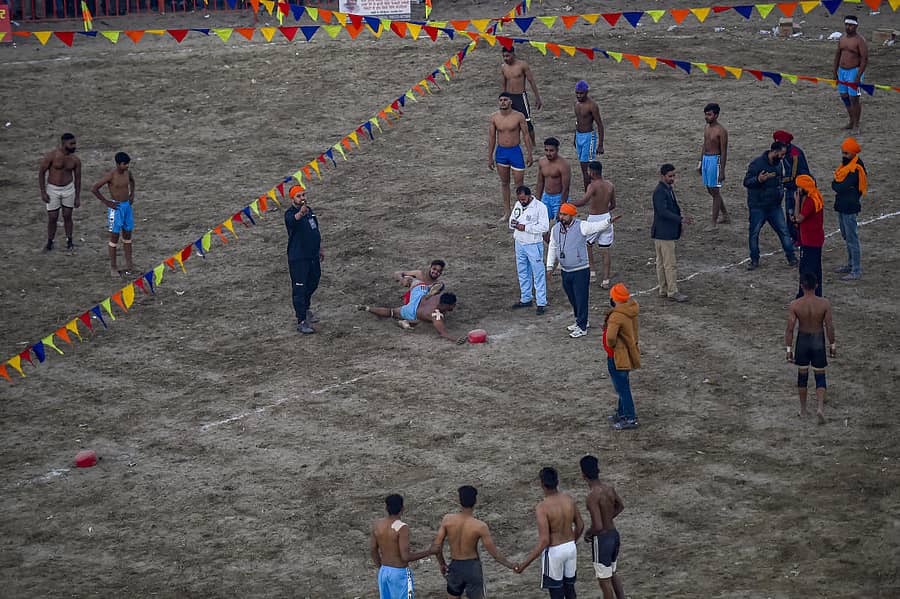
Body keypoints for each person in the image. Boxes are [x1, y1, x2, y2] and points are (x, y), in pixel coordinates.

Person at [546, 203, 621, 338]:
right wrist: (550, 266)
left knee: (581, 298)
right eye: (561, 214)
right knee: (572, 297)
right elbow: (552, 247)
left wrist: (608, 221)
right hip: (565, 270)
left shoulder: (581, 226)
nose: (562, 217)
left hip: (580, 270)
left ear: (572, 216)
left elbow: (596, 226)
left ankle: (582, 326)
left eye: (565, 215)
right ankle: (580, 320)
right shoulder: (555, 229)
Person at [431, 485, 516, 599]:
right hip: (472, 567)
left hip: (455, 565)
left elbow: (437, 546)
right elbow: (494, 554)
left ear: (459, 501)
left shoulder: (447, 520)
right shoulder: (480, 526)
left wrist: (442, 563)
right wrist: (511, 566)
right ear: (475, 501)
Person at [514, 467, 584, 599]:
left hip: (555, 552)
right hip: (570, 548)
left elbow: (544, 541)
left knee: (556, 592)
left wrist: (524, 564)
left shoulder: (542, 507)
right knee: (570, 589)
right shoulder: (569, 499)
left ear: (541, 484)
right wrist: (571, 542)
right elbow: (580, 525)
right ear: (557, 481)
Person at [785, 272, 836, 425]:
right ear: (817, 285)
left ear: (802, 286)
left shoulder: (795, 305)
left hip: (803, 340)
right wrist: (832, 344)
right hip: (818, 339)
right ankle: (820, 407)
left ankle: (803, 409)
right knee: (820, 375)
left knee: (802, 376)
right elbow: (829, 326)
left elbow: (789, 329)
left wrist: (788, 349)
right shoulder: (824, 303)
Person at [742, 141, 798, 270]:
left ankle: (791, 258)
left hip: (774, 206)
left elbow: (779, 180)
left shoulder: (778, 164)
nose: (783, 157)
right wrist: (758, 180)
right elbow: (746, 182)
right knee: (754, 233)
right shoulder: (757, 164)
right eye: (782, 154)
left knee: (784, 232)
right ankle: (754, 260)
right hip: (758, 206)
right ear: (775, 151)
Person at [370, 494, 435, 599]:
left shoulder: (378, 525)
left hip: (384, 572)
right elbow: (405, 557)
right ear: (402, 508)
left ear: (386, 508)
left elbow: (373, 549)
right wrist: (429, 551)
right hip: (399, 573)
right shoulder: (402, 528)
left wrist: (381, 567)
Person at [579, 455, 626, 599]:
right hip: (614, 535)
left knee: (604, 581)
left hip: (603, 540)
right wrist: (608, 518)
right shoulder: (609, 489)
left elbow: (598, 526)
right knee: (612, 572)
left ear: (583, 475)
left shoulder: (592, 497)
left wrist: (588, 533)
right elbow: (620, 506)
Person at [488, 93, 534, 221]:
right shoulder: (494, 117)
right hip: (501, 152)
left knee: (519, 184)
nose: (503, 102)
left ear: (510, 102)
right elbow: (492, 138)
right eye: (501, 100)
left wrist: (530, 153)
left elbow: (525, 135)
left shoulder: (519, 116)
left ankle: (521, 210)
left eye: (505, 100)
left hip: (515, 152)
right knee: (504, 183)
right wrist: (490, 156)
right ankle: (507, 212)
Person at [284, 186, 323, 334]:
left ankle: (305, 308)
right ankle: (301, 320)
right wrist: (301, 213)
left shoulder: (309, 211)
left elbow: (315, 229)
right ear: (292, 199)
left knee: (314, 281)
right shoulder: (290, 214)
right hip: (299, 258)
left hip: (312, 255)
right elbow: (292, 222)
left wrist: (320, 247)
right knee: (299, 289)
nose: (302, 198)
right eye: (298, 196)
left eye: (303, 195)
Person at [571, 161, 615, 288]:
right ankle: (606, 279)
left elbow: (583, 201)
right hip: (606, 218)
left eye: (588, 171)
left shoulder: (592, 186)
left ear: (593, 172)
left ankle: (592, 272)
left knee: (587, 245)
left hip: (594, 219)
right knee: (605, 250)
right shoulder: (609, 185)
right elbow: (613, 205)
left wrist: (569, 203)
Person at [91, 152, 136, 277]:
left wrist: (132, 194)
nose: (127, 166)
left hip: (126, 206)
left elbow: (132, 181)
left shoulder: (128, 173)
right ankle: (113, 267)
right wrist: (107, 202)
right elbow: (95, 188)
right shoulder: (111, 175)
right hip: (116, 208)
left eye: (127, 164)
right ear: (118, 164)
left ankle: (129, 265)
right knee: (114, 237)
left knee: (127, 235)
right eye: (124, 164)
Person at [651, 164, 691, 302]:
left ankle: (663, 289)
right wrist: (680, 219)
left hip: (661, 232)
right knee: (669, 264)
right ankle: (672, 291)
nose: (673, 178)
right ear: (662, 176)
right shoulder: (661, 192)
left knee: (662, 262)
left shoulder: (664, 189)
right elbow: (663, 212)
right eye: (670, 176)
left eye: (673, 176)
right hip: (664, 232)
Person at [358, 291, 464, 343]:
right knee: (392, 312)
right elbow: (443, 333)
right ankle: (406, 321)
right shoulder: (436, 316)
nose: (454, 307)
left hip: (418, 297)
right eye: (453, 305)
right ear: (447, 305)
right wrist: (456, 339)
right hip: (412, 311)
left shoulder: (438, 297)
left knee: (422, 320)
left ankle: (367, 308)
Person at [603, 284, 641, 430]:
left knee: (622, 388)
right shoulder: (630, 311)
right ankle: (622, 413)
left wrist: (611, 346)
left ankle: (630, 418)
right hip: (627, 354)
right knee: (623, 385)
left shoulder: (616, 316)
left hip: (617, 356)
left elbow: (610, 338)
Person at [509, 186, 549, 315]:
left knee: (538, 273)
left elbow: (544, 227)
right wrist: (514, 223)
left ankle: (541, 302)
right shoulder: (518, 204)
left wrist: (525, 227)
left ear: (529, 195)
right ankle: (526, 297)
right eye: (520, 199)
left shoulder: (540, 207)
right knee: (522, 271)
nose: (522, 201)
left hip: (533, 243)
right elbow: (511, 221)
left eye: (523, 199)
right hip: (519, 242)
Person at [38, 132, 81, 252]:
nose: (74, 146)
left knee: (68, 215)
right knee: (52, 217)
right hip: (53, 189)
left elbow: (78, 179)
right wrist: (43, 192)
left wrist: (77, 197)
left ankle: (70, 241)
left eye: (74, 143)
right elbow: (42, 173)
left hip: (68, 189)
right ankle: (50, 242)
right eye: (71, 143)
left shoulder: (75, 160)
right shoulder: (52, 156)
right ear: (63, 143)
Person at [831, 137, 867, 281]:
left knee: (852, 238)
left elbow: (838, 186)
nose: (843, 156)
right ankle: (851, 264)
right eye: (843, 153)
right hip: (842, 204)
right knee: (846, 236)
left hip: (849, 207)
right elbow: (837, 185)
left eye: (846, 153)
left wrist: (837, 186)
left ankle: (856, 269)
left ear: (853, 153)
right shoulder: (848, 165)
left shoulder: (855, 168)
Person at [773, 130, 812, 246]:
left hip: (798, 187)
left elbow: (793, 176)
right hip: (792, 186)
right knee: (790, 214)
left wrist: (778, 181)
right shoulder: (790, 152)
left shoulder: (795, 155)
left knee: (794, 213)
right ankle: (794, 237)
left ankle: (798, 238)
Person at [500, 46, 542, 146]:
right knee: (510, 121)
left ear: (513, 54)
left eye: (507, 56)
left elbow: (531, 81)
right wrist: (503, 99)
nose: (505, 58)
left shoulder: (522, 65)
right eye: (504, 56)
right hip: (509, 97)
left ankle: (533, 144)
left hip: (520, 97)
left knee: (527, 122)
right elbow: (503, 84)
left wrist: (537, 98)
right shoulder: (503, 67)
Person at [833, 14, 868, 132]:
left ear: (856, 26)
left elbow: (864, 59)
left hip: (854, 71)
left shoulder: (860, 40)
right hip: (842, 71)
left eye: (851, 25)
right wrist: (835, 71)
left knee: (854, 98)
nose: (849, 27)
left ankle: (856, 125)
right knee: (844, 97)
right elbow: (838, 54)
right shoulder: (842, 38)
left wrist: (858, 76)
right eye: (847, 25)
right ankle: (851, 120)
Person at [792, 175, 825, 297]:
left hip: (809, 241)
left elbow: (799, 218)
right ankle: (817, 294)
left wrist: (796, 201)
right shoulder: (815, 196)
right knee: (816, 269)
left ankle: (804, 294)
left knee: (806, 269)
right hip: (815, 239)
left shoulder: (810, 200)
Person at [697, 103, 729, 226]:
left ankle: (713, 222)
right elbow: (704, 145)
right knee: (711, 190)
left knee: (715, 192)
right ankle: (725, 215)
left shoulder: (721, 131)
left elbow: (724, 152)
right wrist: (700, 162)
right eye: (706, 114)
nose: (706, 117)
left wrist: (722, 170)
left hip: (715, 161)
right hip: (706, 160)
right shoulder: (706, 127)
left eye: (709, 115)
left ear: (716, 115)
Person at [534, 137, 572, 239]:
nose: (548, 153)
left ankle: (560, 248)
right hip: (546, 197)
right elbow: (540, 182)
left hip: (559, 197)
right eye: (546, 150)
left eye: (551, 150)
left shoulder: (563, 165)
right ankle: (553, 247)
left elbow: (566, 188)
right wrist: (537, 201)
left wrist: (562, 205)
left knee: (562, 226)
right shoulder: (542, 162)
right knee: (541, 226)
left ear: (557, 150)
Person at [574, 80, 604, 191]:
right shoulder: (576, 104)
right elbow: (578, 121)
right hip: (579, 136)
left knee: (586, 167)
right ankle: (591, 190)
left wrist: (600, 144)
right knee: (584, 166)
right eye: (577, 93)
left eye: (581, 93)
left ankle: (589, 191)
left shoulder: (592, 106)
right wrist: (575, 137)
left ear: (586, 92)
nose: (578, 95)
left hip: (588, 137)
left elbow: (600, 125)